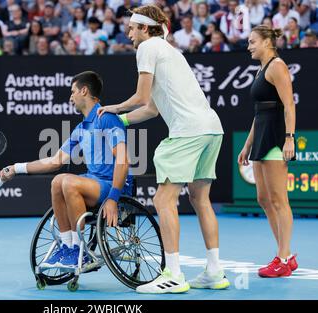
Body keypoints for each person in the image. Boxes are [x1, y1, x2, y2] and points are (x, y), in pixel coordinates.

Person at [98, 4, 229, 294]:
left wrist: (113, 107)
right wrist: (120, 119)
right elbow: (152, 108)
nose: (129, 33)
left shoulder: (147, 48)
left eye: (133, 28)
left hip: (188, 132)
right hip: (211, 128)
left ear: (145, 28)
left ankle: (173, 274)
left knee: (163, 200)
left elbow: (141, 95)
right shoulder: (170, 51)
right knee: (200, 199)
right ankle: (214, 271)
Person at [0, 71, 133, 268]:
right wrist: (17, 168)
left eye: (73, 92)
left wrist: (113, 198)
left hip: (113, 185)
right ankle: (67, 246)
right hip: (93, 182)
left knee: (68, 181)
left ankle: (80, 251)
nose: (70, 97)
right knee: (57, 181)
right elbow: (55, 161)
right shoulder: (80, 128)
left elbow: (124, 160)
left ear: (84, 91)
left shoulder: (107, 119)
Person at [239, 25, 297, 278]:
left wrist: (289, 139)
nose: (249, 46)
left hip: (276, 137)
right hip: (261, 136)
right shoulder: (262, 69)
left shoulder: (277, 66)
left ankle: (284, 258)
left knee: (278, 199)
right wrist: (247, 144)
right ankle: (285, 255)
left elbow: (288, 106)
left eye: (253, 41)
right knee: (263, 199)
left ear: (266, 42)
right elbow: (259, 112)